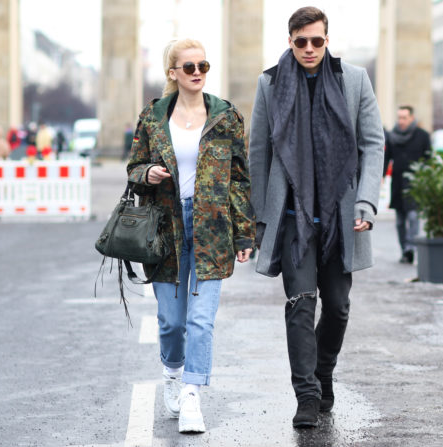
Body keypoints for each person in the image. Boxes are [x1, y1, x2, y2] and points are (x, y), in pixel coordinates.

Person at [248, 6, 384, 429]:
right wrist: (258, 218)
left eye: (317, 41)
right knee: (300, 305)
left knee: (339, 308)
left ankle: (324, 372)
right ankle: (306, 395)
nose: (309, 49)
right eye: (300, 41)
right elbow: (258, 153)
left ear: (328, 40)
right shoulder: (270, 83)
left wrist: (365, 202)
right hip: (292, 219)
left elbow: (373, 144)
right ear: (290, 41)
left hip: (341, 217)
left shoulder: (355, 80)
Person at [126, 38, 255, 434]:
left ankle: (193, 395)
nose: (197, 72)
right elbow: (134, 167)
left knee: (201, 321)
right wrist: (147, 174)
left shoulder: (226, 117)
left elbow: (239, 179)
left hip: (212, 229)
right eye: (189, 67)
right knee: (171, 322)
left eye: (203, 65)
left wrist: (244, 234)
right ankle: (172, 372)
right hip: (166, 228)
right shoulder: (152, 118)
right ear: (173, 73)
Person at [383, 105, 431, 264]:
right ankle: (404, 249)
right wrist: (381, 176)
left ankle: (411, 248)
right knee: (399, 221)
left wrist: (426, 177)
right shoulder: (392, 136)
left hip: (415, 183)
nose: (401, 121)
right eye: (399, 117)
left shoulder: (422, 136)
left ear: (411, 118)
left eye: (404, 117)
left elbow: (429, 158)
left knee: (413, 216)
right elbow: (386, 157)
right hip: (397, 183)